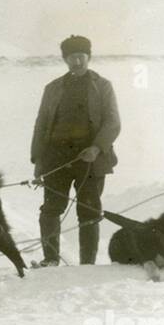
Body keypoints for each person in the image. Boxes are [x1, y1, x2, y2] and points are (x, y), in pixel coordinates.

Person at [29, 35, 121, 265]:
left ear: (88, 57)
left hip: (90, 159)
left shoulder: (102, 86)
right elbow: (41, 125)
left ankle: (87, 264)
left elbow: (113, 122)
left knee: (89, 211)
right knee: (51, 209)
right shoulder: (52, 89)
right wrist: (38, 161)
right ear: (65, 59)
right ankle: (50, 259)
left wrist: (97, 148)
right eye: (71, 57)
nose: (77, 62)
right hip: (56, 158)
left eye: (81, 56)